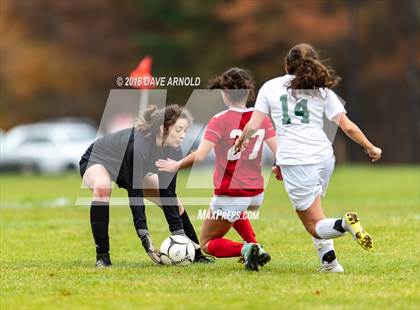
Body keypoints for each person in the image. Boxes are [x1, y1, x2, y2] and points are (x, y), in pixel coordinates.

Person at [235, 43, 382, 273]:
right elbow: (348, 127)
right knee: (317, 209)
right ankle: (330, 263)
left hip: (296, 160)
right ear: (315, 63)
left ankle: (345, 224)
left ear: (286, 64)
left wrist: (241, 140)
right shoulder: (322, 90)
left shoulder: (270, 87)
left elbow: (253, 125)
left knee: (314, 225)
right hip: (324, 157)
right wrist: (370, 147)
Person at [156, 68, 277, 271]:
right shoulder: (261, 118)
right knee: (235, 211)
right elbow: (277, 151)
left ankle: (247, 249)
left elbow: (201, 155)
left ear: (224, 93)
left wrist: (177, 165)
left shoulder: (220, 120)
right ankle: (255, 246)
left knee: (207, 242)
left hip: (231, 192)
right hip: (256, 192)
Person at [79, 104, 212, 267]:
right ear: (164, 128)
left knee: (175, 202)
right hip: (100, 159)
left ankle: (197, 253)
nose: (183, 136)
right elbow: (135, 195)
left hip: (130, 169)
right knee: (102, 188)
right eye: (178, 130)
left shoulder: (174, 151)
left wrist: (180, 234)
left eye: (185, 131)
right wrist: (144, 236)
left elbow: (167, 193)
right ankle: (102, 257)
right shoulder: (139, 147)